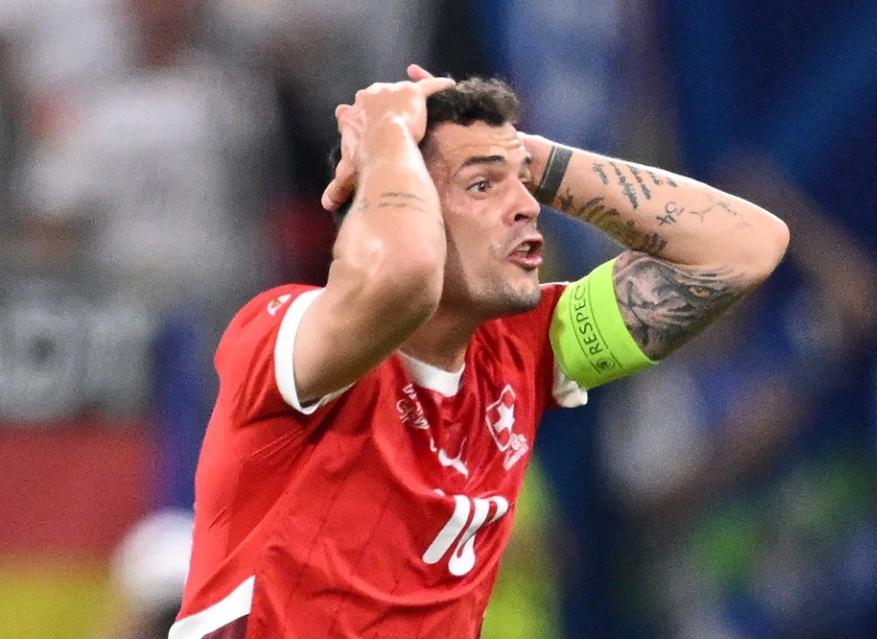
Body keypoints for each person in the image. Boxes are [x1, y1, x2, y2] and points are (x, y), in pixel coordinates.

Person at [170, 64, 789, 638]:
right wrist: (387, 132)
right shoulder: (284, 335)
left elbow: (743, 248)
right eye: (482, 185)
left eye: (519, 185)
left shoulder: (522, 351)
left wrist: (531, 158)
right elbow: (406, 274)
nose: (525, 207)